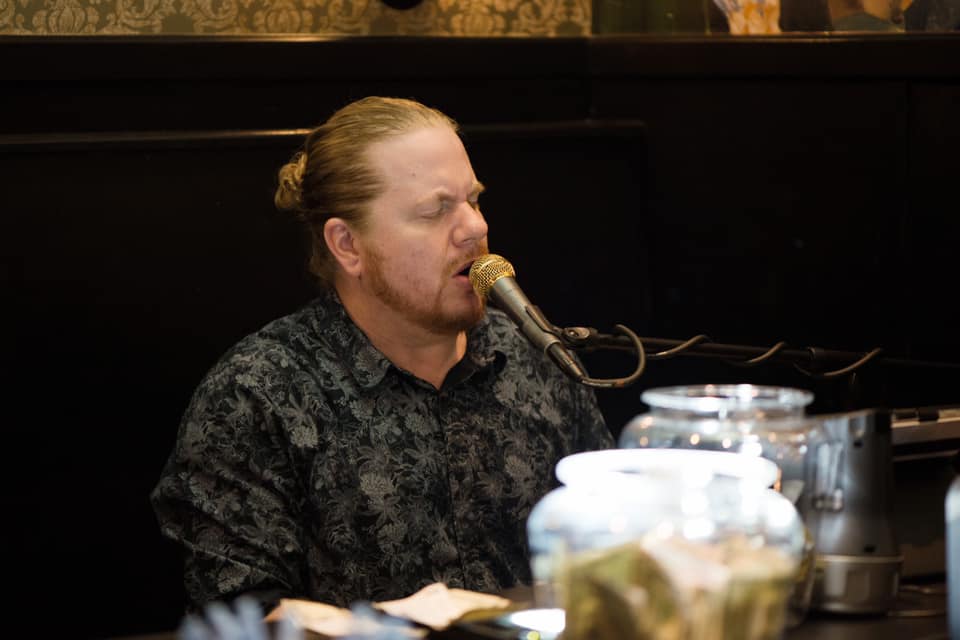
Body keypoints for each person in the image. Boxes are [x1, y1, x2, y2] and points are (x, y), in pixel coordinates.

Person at [151, 96, 614, 613]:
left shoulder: (536, 359)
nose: (476, 228)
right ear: (348, 245)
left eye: (474, 200)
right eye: (436, 210)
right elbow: (240, 614)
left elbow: (616, 552)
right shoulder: (257, 395)